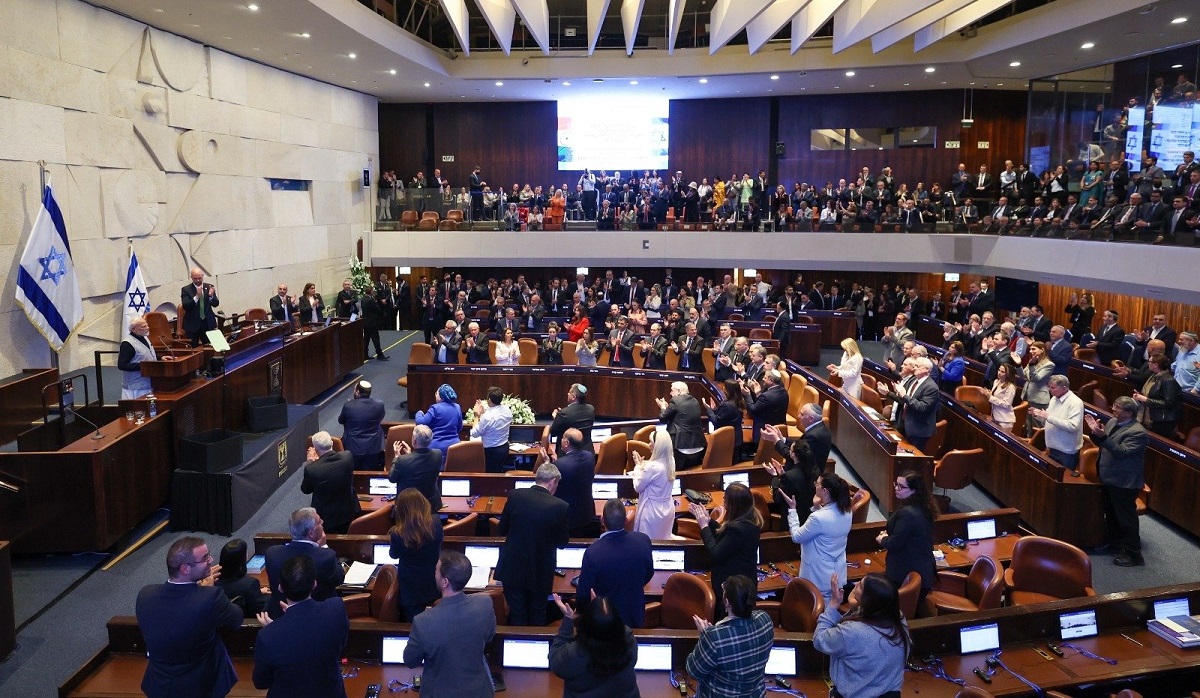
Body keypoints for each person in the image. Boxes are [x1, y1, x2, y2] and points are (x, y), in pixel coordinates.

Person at [136, 536, 242, 698]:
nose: (211, 560)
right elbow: (236, 619)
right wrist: (207, 591)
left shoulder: (145, 594)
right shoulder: (210, 597)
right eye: (205, 558)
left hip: (159, 685)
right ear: (185, 569)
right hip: (201, 686)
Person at [252, 555, 349, 697]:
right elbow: (339, 645)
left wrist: (276, 629)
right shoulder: (336, 608)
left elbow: (261, 682)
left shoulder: (267, 636)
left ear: (280, 588)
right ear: (314, 584)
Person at [405, 550, 497, 697]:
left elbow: (410, 661)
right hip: (480, 691)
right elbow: (490, 636)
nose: (434, 574)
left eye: (436, 571)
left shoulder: (423, 621)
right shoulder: (485, 603)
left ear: (445, 582)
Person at [494, 463, 570, 625]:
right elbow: (562, 543)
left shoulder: (515, 496)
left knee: (516, 612)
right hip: (540, 570)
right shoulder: (560, 506)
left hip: (513, 567)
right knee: (538, 612)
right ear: (553, 481)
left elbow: (501, 530)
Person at [813, 573, 909, 698]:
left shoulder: (852, 632)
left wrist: (833, 604)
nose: (856, 584)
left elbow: (819, 639)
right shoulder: (898, 618)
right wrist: (856, 607)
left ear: (869, 600)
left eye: (861, 586)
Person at [685, 575, 774, 698]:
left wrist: (704, 636)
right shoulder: (765, 620)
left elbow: (693, 671)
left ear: (727, 603)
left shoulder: (714, 637)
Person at [1085, 396, 1149, 567]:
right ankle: (1114, 544)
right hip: (1108, 477)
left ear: (1128, 413)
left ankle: (1134, 555)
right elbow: (1102, 443)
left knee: (1126, 519)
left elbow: (1121, 452)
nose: (1113, 408)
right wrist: (1095, 433)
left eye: (1117, 407)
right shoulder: (1113, 421)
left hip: (1124, 482)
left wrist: (1103, 436)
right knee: (1111, 514)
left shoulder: (1138, 432)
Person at [575, 500, 654, 628]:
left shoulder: (593, 552)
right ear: (626, 520)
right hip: (634, 616)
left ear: (602, 520)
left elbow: (583, 595)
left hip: (604, 621)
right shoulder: (643, 541)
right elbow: (649, 574)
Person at [689, 483, 762, 620]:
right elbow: (725, 537)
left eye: (725, 499)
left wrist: (704, 526)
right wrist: (709, 521)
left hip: (734, 590)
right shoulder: (749, 521)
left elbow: (715, 554)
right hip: (744, 581)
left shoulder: (738, 529)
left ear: (733, 505)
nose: (723, 502)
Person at [782, 472, 853, 600]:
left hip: (818, 576)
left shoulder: (818, 518)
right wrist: (817, 506)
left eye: (817, 484)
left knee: (818, 614)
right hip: (837, 573)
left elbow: (797, 536)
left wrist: (792, 510)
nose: (815, 485)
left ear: (825, 490)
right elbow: (829, 525)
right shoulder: (847, 510)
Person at [264, 508, 345, 618]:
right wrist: (323, 547)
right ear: (311, 533)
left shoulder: (272, 554)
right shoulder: (325, 557)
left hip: (281, 616)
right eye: (319, 522)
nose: (322, 523)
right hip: (318, 617)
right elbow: (339, 578)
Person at [876, 471, 938, 612]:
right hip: (921, 570)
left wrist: (883, 538)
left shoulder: (908, 513)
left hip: (905, 573)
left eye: (901, 486)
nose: (896, 488)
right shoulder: (923, 507)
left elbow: (895, 544)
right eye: (896, 484)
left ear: (914, 490)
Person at [389, 488, 444, 620]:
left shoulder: (397, 533)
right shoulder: (436, 523)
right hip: (433, 581)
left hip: (410, 588)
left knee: (414, 626)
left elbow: (393, 555)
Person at [300, 431, 360, 535]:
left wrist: (311, 463)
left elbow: (306, 489)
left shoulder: (312, 469)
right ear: (332, 443)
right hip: (348, 509)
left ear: (315, 447)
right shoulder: (347, 456)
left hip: (326, 517)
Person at [541, 428, 597, 537]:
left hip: (567, 518)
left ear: (566, 443)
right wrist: (557, 462)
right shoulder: (590, 457)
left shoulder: (559, 466)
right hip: (586, 512)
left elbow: (548, 487)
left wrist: (548, 463)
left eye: (562, 438)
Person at [878, 356, 940, 452]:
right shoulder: (914, 381)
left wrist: (904, 395)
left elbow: (922, 407)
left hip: (918, 430)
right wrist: (888, 393)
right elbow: (904, 401)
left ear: (926, 369)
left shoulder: (931, 387)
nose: (914, 368)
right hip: (905, 424)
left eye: (917, 366)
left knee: (912, 461)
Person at [1030, 375, 1085, 476]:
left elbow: (1073, 426)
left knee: (1062, 479)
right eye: (1049, 386)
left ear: (1064, 388)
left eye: (1053, 387)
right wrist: (1038, 415)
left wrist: (1048, 417)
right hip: (1052, 447)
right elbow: (1048, 419)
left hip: (1066, 451)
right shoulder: (1054, 399)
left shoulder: (1075, 402)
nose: (1049, 390)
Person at [631, 430, 678, 540]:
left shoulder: (652, 467)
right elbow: (656, 468)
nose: (649, 444)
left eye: (651, 442)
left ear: (658, 446)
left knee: (648, 542)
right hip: (667, 509)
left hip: (652, 512)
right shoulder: (671, 460)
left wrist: (638, 466)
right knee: (663, 540)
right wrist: (643, 465)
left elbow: (637, 486)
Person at [389, 424, 443, 511]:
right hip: (431, 505)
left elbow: (392, 478)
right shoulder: (438, 454)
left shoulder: (402, 460)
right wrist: (409, 456)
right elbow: (420, 467)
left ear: (414, 440)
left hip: (409, 507)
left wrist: (396, 457)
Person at [657, 381, 707, 470]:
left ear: (679, 391)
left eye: (672, 391)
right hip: (698, 446)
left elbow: (663, 418)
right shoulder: (695, 401)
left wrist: (663, 408)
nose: (670, 393)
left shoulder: (675, 401)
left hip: (681, 446)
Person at [337, 380, 385, 470]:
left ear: (358, 392)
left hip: (353, 448)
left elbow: (341, 420)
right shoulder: (380, 404)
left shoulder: (348, 405)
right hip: (374, 447)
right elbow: (381, 417)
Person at [215, 538, 267, 617]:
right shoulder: (250, 584)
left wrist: (257, 591)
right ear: (242, 559)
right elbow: (257, 611)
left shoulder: (213, 581)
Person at [1133, 355, 1181, 439]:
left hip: (1162, 421)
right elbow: (1154, 394)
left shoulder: (1169, 381)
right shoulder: (1154, 376)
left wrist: (1145, 399)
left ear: (1156, 365)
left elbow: (1168, 403)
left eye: (1150, 361)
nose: (1148, 363)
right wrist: (1141, 395)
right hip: (1152, 416)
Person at [415, 384, 464, 466]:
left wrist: (419, 413)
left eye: (436, 393)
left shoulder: (435, 408)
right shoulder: (457, 407)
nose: (435, 395)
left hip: (436, 447)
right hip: (455, 446)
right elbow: (460, 427)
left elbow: (420, 422)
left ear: (441, 397)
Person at [470, 386, 512, 473]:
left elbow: (474, 433)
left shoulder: (487, 417)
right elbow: (494, 418)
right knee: (498, 470)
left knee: (490, 475)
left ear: (489, 399)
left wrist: (476, 416)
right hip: (504, 448)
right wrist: (484, 412)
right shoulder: (507, 410)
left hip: (491, 452)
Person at [118, 315, 157, 399]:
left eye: (147, 325)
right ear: (134, 329)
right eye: (143, 326)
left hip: (148, 383)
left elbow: (148, 355)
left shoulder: (145, 337)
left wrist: (161, 359)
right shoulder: (127, 344)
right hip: (134, 388)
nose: (147, 328)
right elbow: (122, 365)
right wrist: (143, 366)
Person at [705, 379, 746, 457]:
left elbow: (716, 422)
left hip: (726, 440)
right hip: (736, 439)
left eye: (724, 387)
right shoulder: (739, 401)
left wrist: (708, 409)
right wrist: (714, 409)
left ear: (727, 390)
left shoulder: (727, 405)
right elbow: (726, 416)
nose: (723, 388)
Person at [550, 383, 595, 451]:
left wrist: (556, 418)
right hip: (587, 452)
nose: (568, 394)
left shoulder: (564, 413)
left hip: (567, 454)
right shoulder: (591, 409)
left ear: (573, 397)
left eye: (569, 393)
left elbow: (553, 433)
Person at [180, 267, 219, 346]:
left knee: (210, 348)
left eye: (199, 278)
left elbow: (216, 304)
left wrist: (211, 296)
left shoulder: (209, 287)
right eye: (195, 279)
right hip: (192, 325)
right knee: (194, 350)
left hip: (207, 323)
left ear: (203, 276)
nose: (197, 280)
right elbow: (186, 306)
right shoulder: (186, 289)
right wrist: (197, 297)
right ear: (191, 278)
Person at [988, 363, 1017, 433]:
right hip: (995, 417)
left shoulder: (1010, 387)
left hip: (1005, 420)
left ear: (1008, 374)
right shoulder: (996, 382)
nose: (999, 373)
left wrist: (990, 397)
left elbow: (1006, 404)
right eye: (999, 370)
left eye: (1002, 372)